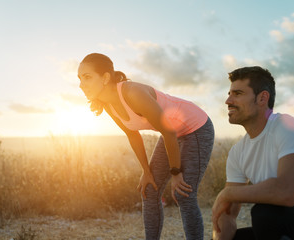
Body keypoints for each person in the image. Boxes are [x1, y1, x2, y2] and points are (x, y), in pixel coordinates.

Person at [78, 53, 214, 240]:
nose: (81, 84)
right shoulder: (108, 103)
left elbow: (169, 132)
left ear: (105, 78)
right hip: (170, 133)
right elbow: (132, 134)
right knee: (149, 190)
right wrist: (146, 171)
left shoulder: (132, 93)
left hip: (196, 128)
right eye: (79, 78)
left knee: (184, 194)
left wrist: (176, 173)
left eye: (87, 77)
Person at [212, 66, 294, 240]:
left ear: (262, 98)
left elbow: (286, 192)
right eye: (229, 93)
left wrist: (227, 193)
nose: (228, 101)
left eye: (237, 94)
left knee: (265, 214)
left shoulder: (289, 127)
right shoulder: (238, 152)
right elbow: (228, 214)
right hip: (288, 230)